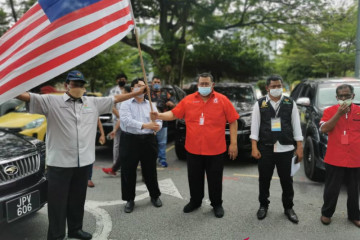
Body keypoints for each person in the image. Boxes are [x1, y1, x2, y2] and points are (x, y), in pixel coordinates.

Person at [17, 70, 146, 240]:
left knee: (78, 200)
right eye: (74, 84)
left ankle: (75, 229)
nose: (78, 87)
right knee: (57, 203)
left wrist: (137, 92)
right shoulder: (51, 101)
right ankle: (56, 235)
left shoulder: (92, 102)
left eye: (80, 84)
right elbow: (27, 97)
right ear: (66, 85)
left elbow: (115, 99)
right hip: (60, 164)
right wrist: (7, 86)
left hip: (83, 162)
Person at [150, 72, 239, 218]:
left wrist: (233, 143)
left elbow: (233, 120)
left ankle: (216, 204)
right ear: (197, 85)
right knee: (194, 178)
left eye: (206, 84)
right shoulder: (188, 100)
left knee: (215, 179)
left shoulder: (222, 100)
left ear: (212, 85)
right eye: (201, 84)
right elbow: (173, 114)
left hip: (216, 149)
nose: (204, 86)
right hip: (193, 149)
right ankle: (195, 201)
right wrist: (159, 115)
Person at [250, 75, 303, 224]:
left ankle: (288, 208)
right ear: (267, 88)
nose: (276, 89)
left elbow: (296, 126)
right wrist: (254, 147)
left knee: (287, 181)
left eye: (278, 86)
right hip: (266, 148)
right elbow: (255, 126)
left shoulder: (289, 103)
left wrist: (299, 147)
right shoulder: (260, 104)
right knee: (264, 180)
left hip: (285, 148)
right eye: (273, 86)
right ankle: (263, 206)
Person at [319, 84, 360, 227]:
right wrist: (339, 114)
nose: (344, 98)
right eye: (341, 96)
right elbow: (324, 129)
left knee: (354, 190)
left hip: (356, 158)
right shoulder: (329, 111)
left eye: (347, 96)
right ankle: (326, 213)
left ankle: (354, 215)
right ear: (337, 98)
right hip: (335, 158)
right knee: (332, 189)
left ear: (352, 96)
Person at [120, 78, 163, 213]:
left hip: (148, 140)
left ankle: (155, 196)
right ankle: (129, 199)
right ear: (132, 89)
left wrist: (156, 127)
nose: (142, 88)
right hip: (130, 140)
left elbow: (158, 120)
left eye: (144, 86)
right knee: (128, 170)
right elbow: (126, 121)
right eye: (138, 86)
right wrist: (145, 125)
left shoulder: (150, 104)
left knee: (150, 169)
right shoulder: (126, 103)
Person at [102, 74, 128, 175]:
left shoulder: (128, 90)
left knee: (127, 143)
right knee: (117, 143)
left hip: (127, 120)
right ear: (117, 81)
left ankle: (125, 164)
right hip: (117, 120)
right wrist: (119, 116)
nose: (122, 81)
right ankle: (115, 165)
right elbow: (110, 105)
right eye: (120, 79)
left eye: (124, 79)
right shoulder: (113, 91)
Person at [149, 76, 175, 167]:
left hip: (163, 122)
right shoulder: (147, 93)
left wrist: (171, 104)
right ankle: (150, 159)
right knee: (150, 142)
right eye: (155, 82)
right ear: (151, 83)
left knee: (162, 142)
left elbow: (173, 103)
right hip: (150, 122)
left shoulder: (165, 93)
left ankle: (162, 160)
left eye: (158, 82)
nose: (157, 84)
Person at [87, 119, 106, 188]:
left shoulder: (90, 108)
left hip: (89, 137)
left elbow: (97, 119)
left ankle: (88, 178)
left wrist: (102, 134)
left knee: (89, 156)